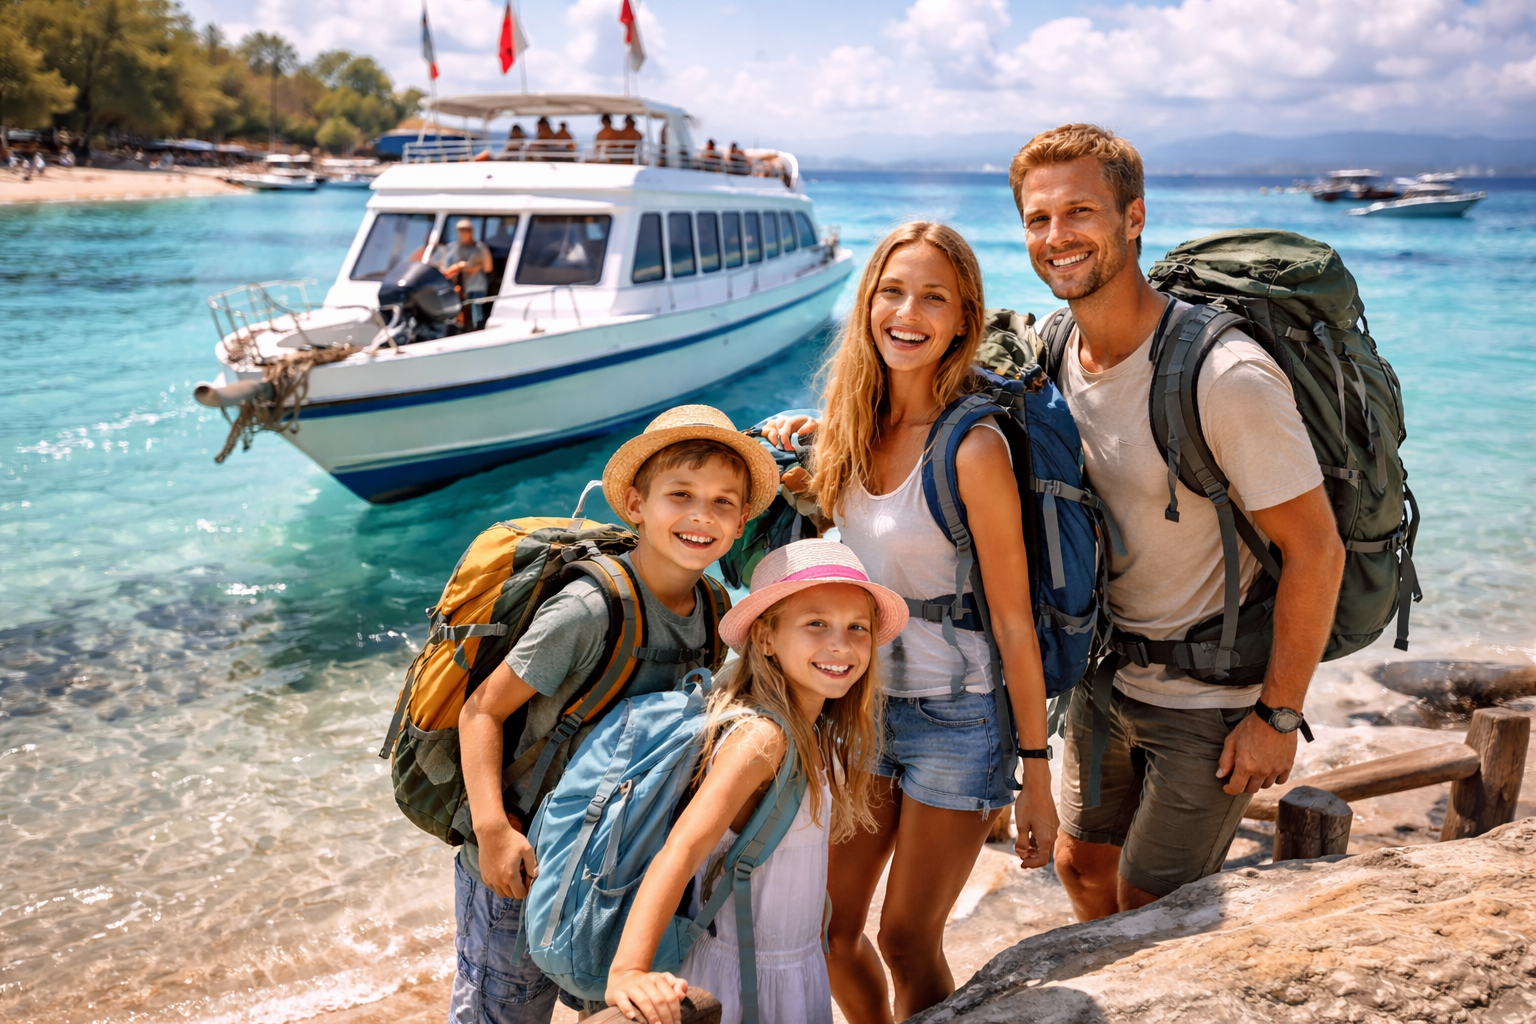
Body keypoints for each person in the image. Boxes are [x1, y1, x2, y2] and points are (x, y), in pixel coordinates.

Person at [1009, 124, 1343, 919]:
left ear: (1134, 218)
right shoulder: (1054, 349)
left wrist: (1278, 715)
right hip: (1105, 673)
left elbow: (1317, 551)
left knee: (1152, 905)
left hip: (1210, 695)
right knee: (1081, 868)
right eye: (1037, 219)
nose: (1057, 238)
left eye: (1080, 212)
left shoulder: (1225, 378)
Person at [761, 222, 1057, 1022]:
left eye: (934, 297)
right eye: (892, 292)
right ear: (866, 306)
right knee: (827, 929)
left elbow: (1014, 620)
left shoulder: (975, 449)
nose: (908, 312)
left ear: (964, 318)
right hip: (861, 717)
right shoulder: (849, 433)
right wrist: (801, 430)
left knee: (905, 940)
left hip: (960, 720)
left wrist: (1037, 773)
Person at [453, 405, 781, 1024]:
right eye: (679, 495)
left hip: (616, 857)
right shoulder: (587, 608)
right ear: (635, 504)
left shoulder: (714, 605)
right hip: (524, 855)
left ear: (741, 520)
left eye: (721, 502)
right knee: (501, 1013)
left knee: (604, 1008)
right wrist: (494, 831)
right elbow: (481, 711)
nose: (699, 516)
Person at [606, 539, 908, 1024]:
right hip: (743, 980)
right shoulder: (762, 738)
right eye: (816, 624)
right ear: (766, 639)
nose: (841, 644)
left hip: (793, 967)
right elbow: (681, 851)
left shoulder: (817, 731)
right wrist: (629, 970)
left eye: (858, 628)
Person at [435, 220, 494, 331]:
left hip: (476, 286)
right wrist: (456, 269)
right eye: (460, 230)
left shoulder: (480, 248)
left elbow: (488, 268)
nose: (463, 233)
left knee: (477, 313)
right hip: (457, 288)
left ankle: (477, 331)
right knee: (455, 312)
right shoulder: (452, 248)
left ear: (472, 231)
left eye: (466, 230)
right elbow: (445, 268)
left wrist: (466, 266)